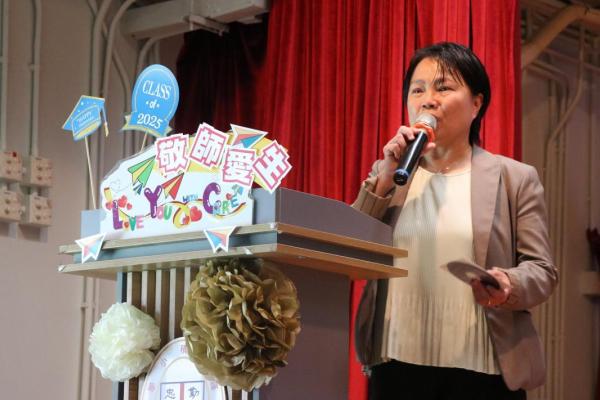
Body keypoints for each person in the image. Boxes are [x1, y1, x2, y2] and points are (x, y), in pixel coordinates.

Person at [352, 42, 557, 400]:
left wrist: (507, 283)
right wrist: (382, 180)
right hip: (396, 362)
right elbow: (350, 250)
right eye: (417, 90)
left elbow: (542, 271)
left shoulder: (515, 178)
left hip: (481, 366)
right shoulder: (392, 175)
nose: (428, 100)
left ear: (476, 103)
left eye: (443, 88)